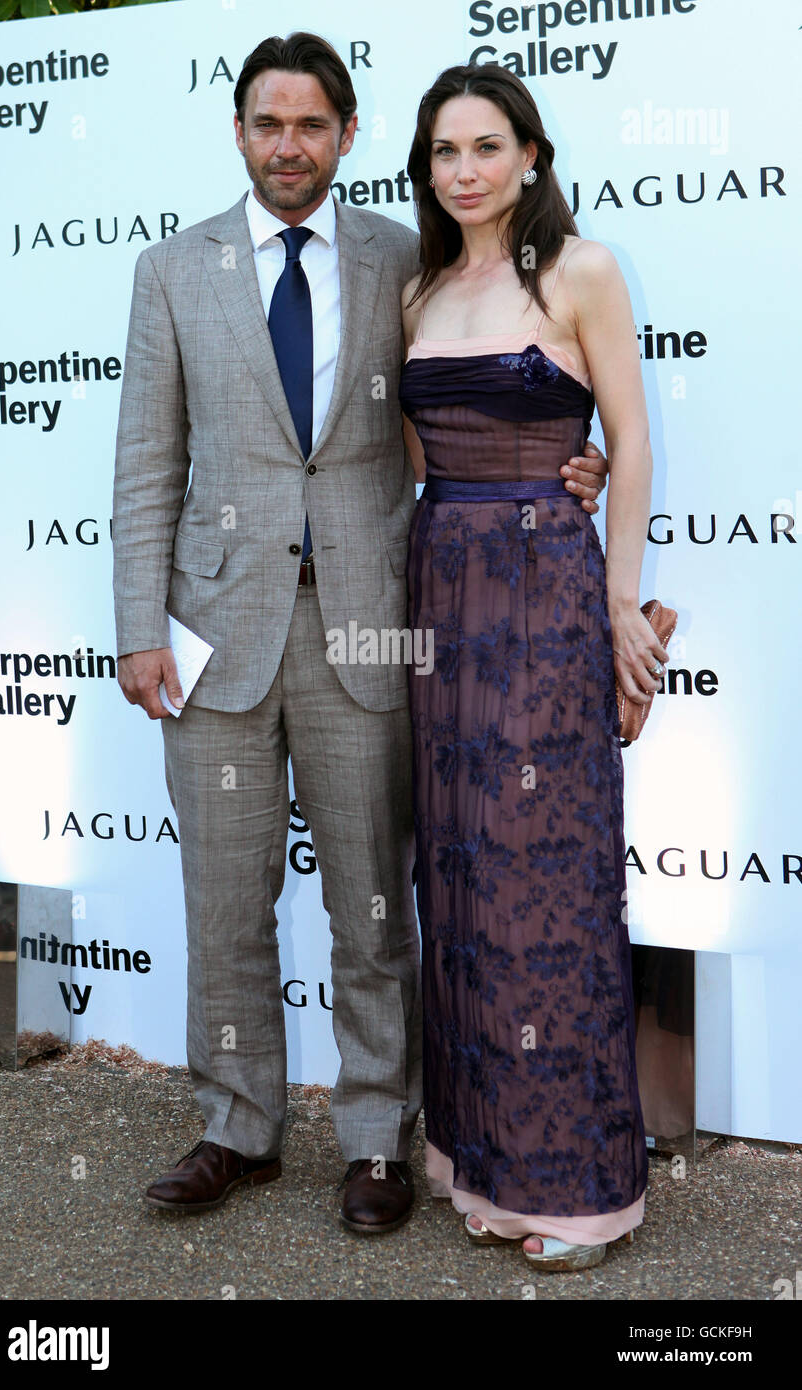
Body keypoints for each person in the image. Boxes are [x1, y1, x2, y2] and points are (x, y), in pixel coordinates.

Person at [112, 33, 608, 1235]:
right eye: (268, 123)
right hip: (217, 634)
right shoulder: (173, 269)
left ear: (343, 134)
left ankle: (380, 1139)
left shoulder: (406, 258)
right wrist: (137, 627)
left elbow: (467, 398)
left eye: (314, 124)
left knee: (374, 907)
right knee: (223, 903)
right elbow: (144, 462)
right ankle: (237, 1124)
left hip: (374, 629)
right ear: (239, 133)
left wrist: (564, 466)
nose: (290, 145)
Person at [399, 63, 667, 1269]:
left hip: (543, 591)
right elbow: (420, 445)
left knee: (542, 880)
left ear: (530, 155)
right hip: (437, 591)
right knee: (458, 881)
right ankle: (482, 1162)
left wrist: (619, 606)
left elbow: (631, 438)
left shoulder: (581, 270)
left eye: (486, 147)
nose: (465, 170)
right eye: (444, 151)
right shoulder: (415, 287)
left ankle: (574, 1188)